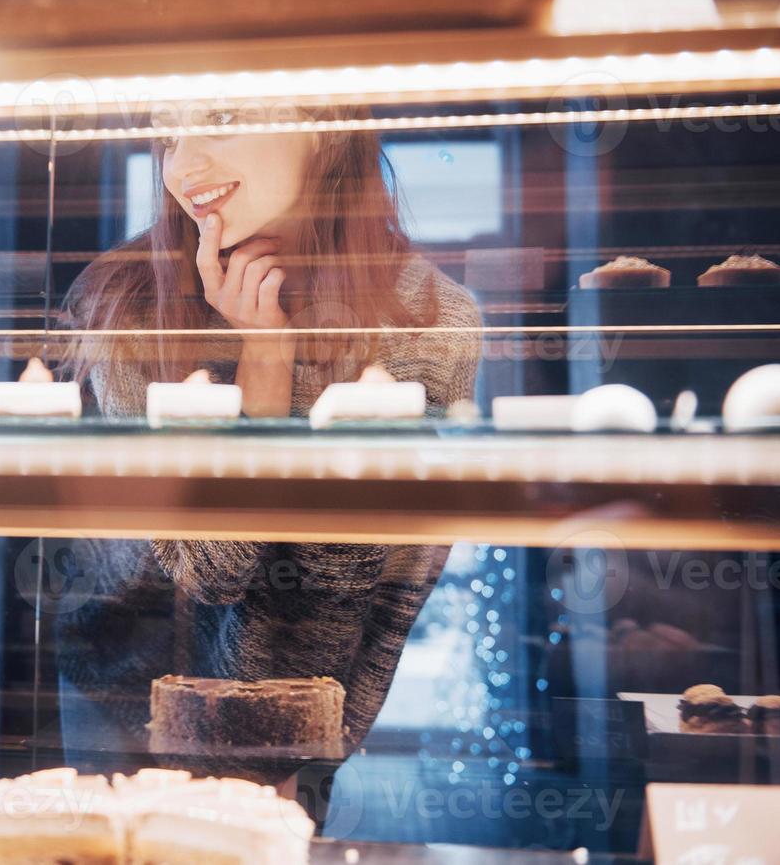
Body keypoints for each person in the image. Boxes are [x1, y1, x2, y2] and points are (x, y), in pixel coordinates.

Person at [50, 105, 483, 763]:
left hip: (308, 708)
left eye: (221, 117)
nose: (183, 164)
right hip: (118, 704)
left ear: (327, 125)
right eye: (168, 134)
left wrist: (294, 750)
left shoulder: (430, 318)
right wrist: (267, 363)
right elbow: (210, 572)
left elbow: (371, 590)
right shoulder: (126, 299)